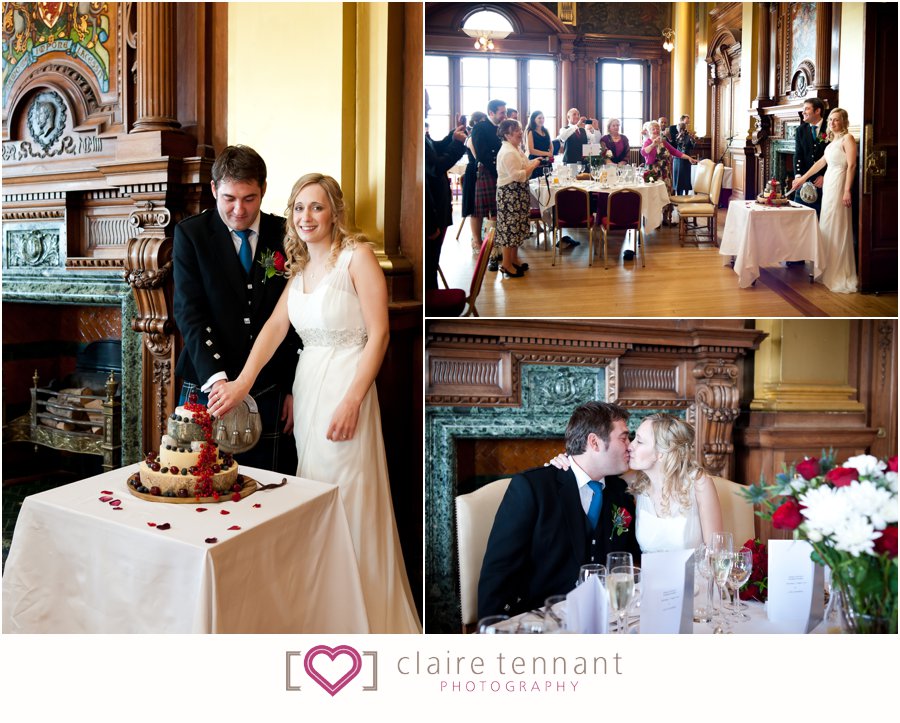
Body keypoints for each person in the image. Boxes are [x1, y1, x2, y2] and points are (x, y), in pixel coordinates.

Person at [209, 173, 421, 633]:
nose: (307, 217)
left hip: (348, 387)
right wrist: (243, 383)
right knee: (316, 495)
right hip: (308, 392)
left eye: (317, 207)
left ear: (335, 212)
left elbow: (380, 334)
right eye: (299, 208)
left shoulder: (357, 257)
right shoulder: (301, 269)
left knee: (347, 501)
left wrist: (354, 401)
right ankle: (325, 616)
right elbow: (274, 329)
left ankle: (362, 620)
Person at [173, 144, 299, 475]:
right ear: (214, 189)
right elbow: (189, 313)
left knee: (268, 490)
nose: (239, 210)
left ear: (263, 190)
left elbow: (296, 316)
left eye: (249, 198)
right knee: (201, 485)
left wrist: (293, 388)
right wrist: (217, 381)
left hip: (271, 383)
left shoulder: (286, 233)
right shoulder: (192, 235)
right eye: (229, 198)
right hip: (207, 379)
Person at [477, 402, 640, 619]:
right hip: (541, 621)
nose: (629, 446)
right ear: (594, 442)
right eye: (624, 437)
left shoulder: (621, 493)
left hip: (605, 618)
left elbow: (629, 561)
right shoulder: (532, 488)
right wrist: (491, 631)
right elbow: (498, 572)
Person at [549, 414, 724, 553]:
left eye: (639, 441)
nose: (630, 446)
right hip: (650, 588)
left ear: (661, 453)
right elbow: (588, 472)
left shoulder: (699, 483)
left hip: (695, 587)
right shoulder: (632, 482)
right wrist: (564, 463)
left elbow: (716, 552)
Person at [791, 108, 859, 293]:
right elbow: (820, 164)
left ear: (844, 121)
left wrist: (847, 190)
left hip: (839, 185)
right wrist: (801, 179)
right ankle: (826, 269)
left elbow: (852, 165)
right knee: (826, 225)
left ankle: (838, 271)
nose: (832, 123)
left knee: (837, 226)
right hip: (829, 185)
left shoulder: (848, 139)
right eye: (830, 120)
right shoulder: (832, 142)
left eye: (836, 120)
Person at [424, 90, 467, 290]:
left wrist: (452, 136)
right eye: (426, 102)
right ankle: (433, 305)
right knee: (429, 265)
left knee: (432, 263)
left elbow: (437, 148)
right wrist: (457, 145)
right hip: (431, 212)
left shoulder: (422, 133)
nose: (429, 107)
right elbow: (436, 166)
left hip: (438, 207)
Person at [495, 119, 542, 278]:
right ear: (506, 134)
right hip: (510, 193)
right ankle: (506, 265)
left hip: (518, 193)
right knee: (510, 229)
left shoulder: (516, 148)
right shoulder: (508, 151)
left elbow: (525, 164)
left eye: (520, 129)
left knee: (518, 227)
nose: (520, 132)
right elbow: (517, 175)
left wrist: (532, 163)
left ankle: (514, 259)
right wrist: (533, 165)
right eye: (515, 130)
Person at [471, 99, 507, 271]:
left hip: (502, 174)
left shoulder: (501, 128)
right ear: (491, 113)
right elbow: (482, 154)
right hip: (489, 173)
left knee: (499, 213)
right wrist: (498, 171)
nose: (504, 115)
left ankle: (499, 250)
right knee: (492, 214)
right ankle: (492, 253)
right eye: (502, 112)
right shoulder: (480, 128)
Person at [794, 98, 829, 216]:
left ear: (817, 111)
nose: (803, 112)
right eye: (803, 109)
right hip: (804, 179)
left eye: (807, 109)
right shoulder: (800, 130)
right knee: (799, 216)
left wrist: (825, 176)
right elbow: (798, 154)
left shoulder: (829, 127)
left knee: (821, 218)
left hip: (823, 181)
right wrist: (798, 176)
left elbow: (834, 156)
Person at [461, 111, 489, 251]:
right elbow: (478, 156)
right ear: (477, 122)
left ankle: (483, 239)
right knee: (475, 210)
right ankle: (476, 240)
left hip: (480, 172)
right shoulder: (472, 137)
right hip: (474, 172)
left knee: (480, 210)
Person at [672, 117, 697, 195]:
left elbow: (693, 146)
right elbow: (673, 146)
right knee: (677, 177)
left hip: (686, 159)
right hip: (677, 158)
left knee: (685, 177)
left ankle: (685, 194)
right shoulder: (676, 136)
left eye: (682, 128)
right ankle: (678, 194)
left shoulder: (689, 136)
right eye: (679, 128)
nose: (681, 129)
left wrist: (693, 139)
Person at [525, 110, 553, 179]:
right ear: (533, 119)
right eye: (539, 118)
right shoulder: (530, 131)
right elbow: (531, 150)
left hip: (546, 161)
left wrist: (550, 153)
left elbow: (551, 145)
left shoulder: (546, 130)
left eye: (543, 118)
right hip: (535, 161)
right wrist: (546, 153)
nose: (542, 120)